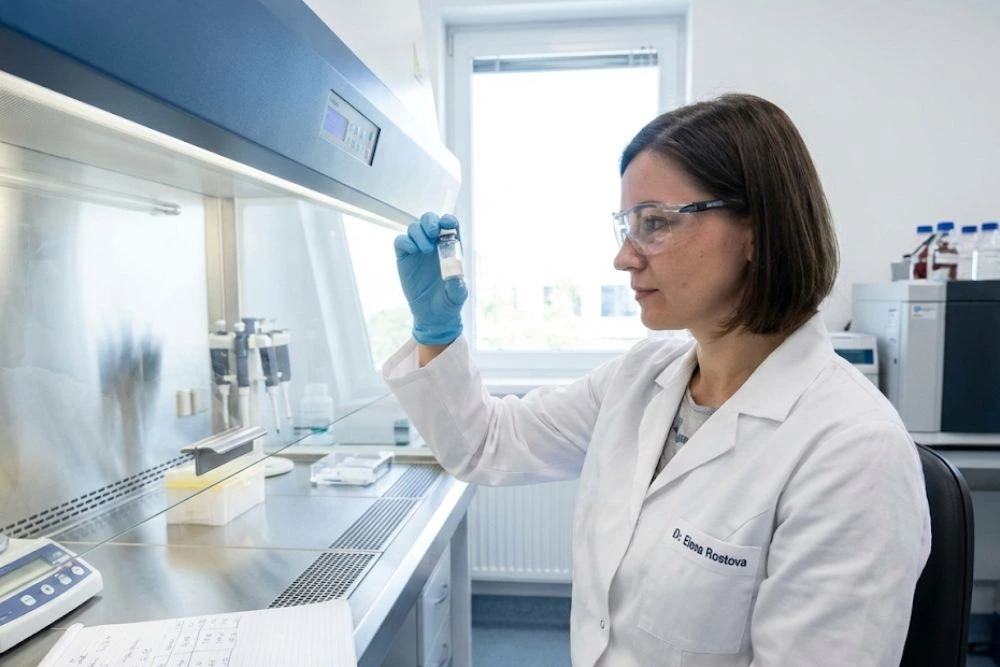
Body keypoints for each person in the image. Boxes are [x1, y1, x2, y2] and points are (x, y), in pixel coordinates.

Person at [383, 93, 931, 667]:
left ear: (757, 231)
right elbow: (486, 445)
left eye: (656, 223)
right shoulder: (642, 378)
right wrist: (437, 330)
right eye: (628, 225)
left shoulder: (853, 452)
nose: (624, 257)